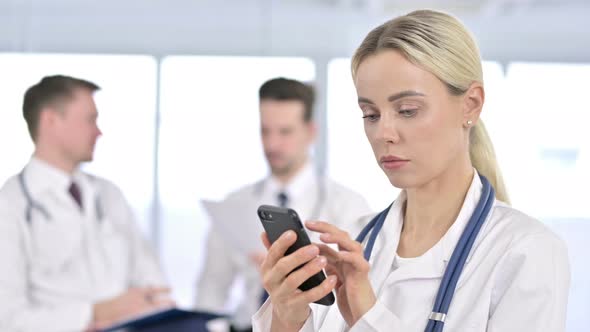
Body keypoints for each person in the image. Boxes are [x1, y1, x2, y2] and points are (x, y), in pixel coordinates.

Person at [253, 10, 570, 332]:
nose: (383, 133)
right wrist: (286, 318)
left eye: (407, 111)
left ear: (471, 104)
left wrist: (369, 317)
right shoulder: (350, 246)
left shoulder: (526, 251)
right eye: (371, 114)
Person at [194, 77, 371, 332]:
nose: (272, 144)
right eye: (265, 131)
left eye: (285, 132)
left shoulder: (348, 206)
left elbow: (356, 293)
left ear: (311, 132)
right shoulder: (235, 204)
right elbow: (210, 288)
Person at [0, 75, 171, 332]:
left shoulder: (109, 194)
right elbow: (8, 318)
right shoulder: (10, 205)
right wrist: (95, 312)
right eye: (90, 119)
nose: (99, 131)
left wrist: (154, 305)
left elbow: (154, 285)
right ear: (51, 121)